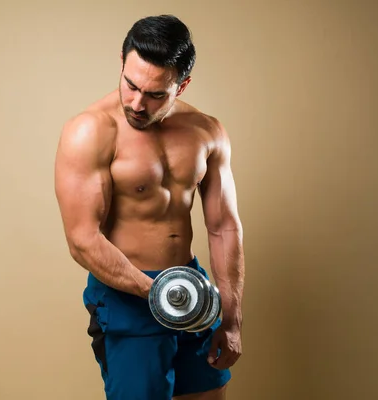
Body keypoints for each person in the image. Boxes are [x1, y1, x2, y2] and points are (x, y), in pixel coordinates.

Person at [54, 14, 245, 400]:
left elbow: (224, 226)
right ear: (122, 63)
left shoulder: (206, 131)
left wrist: (231, 315)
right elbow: (83, 240)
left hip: (192, 290)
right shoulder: (91, 131)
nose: (138, 103)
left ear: (182, 84)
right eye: (131, 85)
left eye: (156, 94)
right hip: (129, 299)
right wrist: (159, 295)